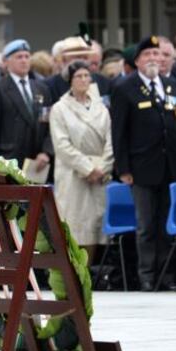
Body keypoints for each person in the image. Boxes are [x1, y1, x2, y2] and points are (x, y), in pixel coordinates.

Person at [110, 35, 176, 291]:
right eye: (148, 55)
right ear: (137, 61)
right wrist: (123, 169)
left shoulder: (172, 86)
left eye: (158, 55)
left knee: (166, 223)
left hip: (171, 166)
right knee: (146, 225)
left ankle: (165, 274)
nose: (154, 59)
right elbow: (118, 132)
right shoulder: (125, 88)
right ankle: (146, 275)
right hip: (141, 168)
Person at [49, 61, 113, 262]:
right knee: (75, 224)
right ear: (70, 80)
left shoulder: (101, 107)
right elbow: (62, 145)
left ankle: (93, 270)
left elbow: (111, 140)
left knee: (96, 224)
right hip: (73, 173)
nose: (84, 80)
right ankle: (74, 272)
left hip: (100, 173)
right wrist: (87, 168)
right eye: (79, 76)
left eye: (87, 76)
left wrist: (102, 167)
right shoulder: (60, 109)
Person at [0, 39, 52, 170]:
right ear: (6, 62)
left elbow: (48, 124)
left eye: (27, 56)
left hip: (36, 162)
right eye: (19, 57)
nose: (24, 60)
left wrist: (46, 152)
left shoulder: (41, 88)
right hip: (8, 160)